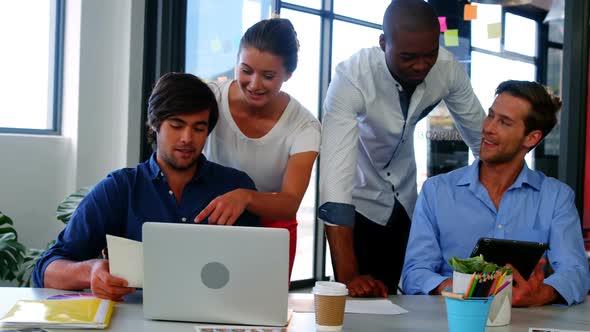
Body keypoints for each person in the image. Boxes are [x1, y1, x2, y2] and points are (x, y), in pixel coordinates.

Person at [32, 73, 259, 300]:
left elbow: (258, 274)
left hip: (214, 319)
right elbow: (45, 271)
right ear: (155, 124)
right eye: (176, 126)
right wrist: (91, 271)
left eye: (198, 129)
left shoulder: (235, 188)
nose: (187, 138)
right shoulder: (120, 189)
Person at [319, 0, 485, 297]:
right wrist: (349, 276)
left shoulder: (446, 69)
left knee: (404, 300)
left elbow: (482, 141)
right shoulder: (352, 78)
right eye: (408, 57)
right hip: (361, 201)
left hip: (408, 201)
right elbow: (335, 181)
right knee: (361, 301)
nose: (421, 66)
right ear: (383, 43)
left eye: (429, 55)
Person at [402, 80, 590, 306]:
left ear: (531, 138)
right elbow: (415, 273)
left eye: (504, 122)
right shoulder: (436, 191)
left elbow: (576, 272)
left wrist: (540, 294)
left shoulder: (556, 197)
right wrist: (468, 289)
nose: (488, 128)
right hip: (452, 320)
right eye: (491, 115)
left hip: (523, 323)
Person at [196, 18, 321, 279]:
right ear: (236, 62)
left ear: (288, 74)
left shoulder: (304, 125)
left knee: (263, 313)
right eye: (246, 70)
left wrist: (246, 197)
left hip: (270, 224)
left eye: (268, 76)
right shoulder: (209, 98)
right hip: (210, 218)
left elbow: (289, 203)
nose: (254, 84)